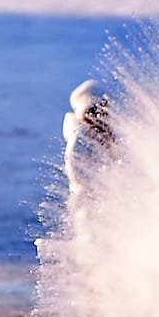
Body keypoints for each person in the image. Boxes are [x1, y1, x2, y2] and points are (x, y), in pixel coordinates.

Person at [61, 78, 115, 229]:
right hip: (89, 203)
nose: (103, 114)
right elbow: (76, 172)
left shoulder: (109, 133)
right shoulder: (82, 136)